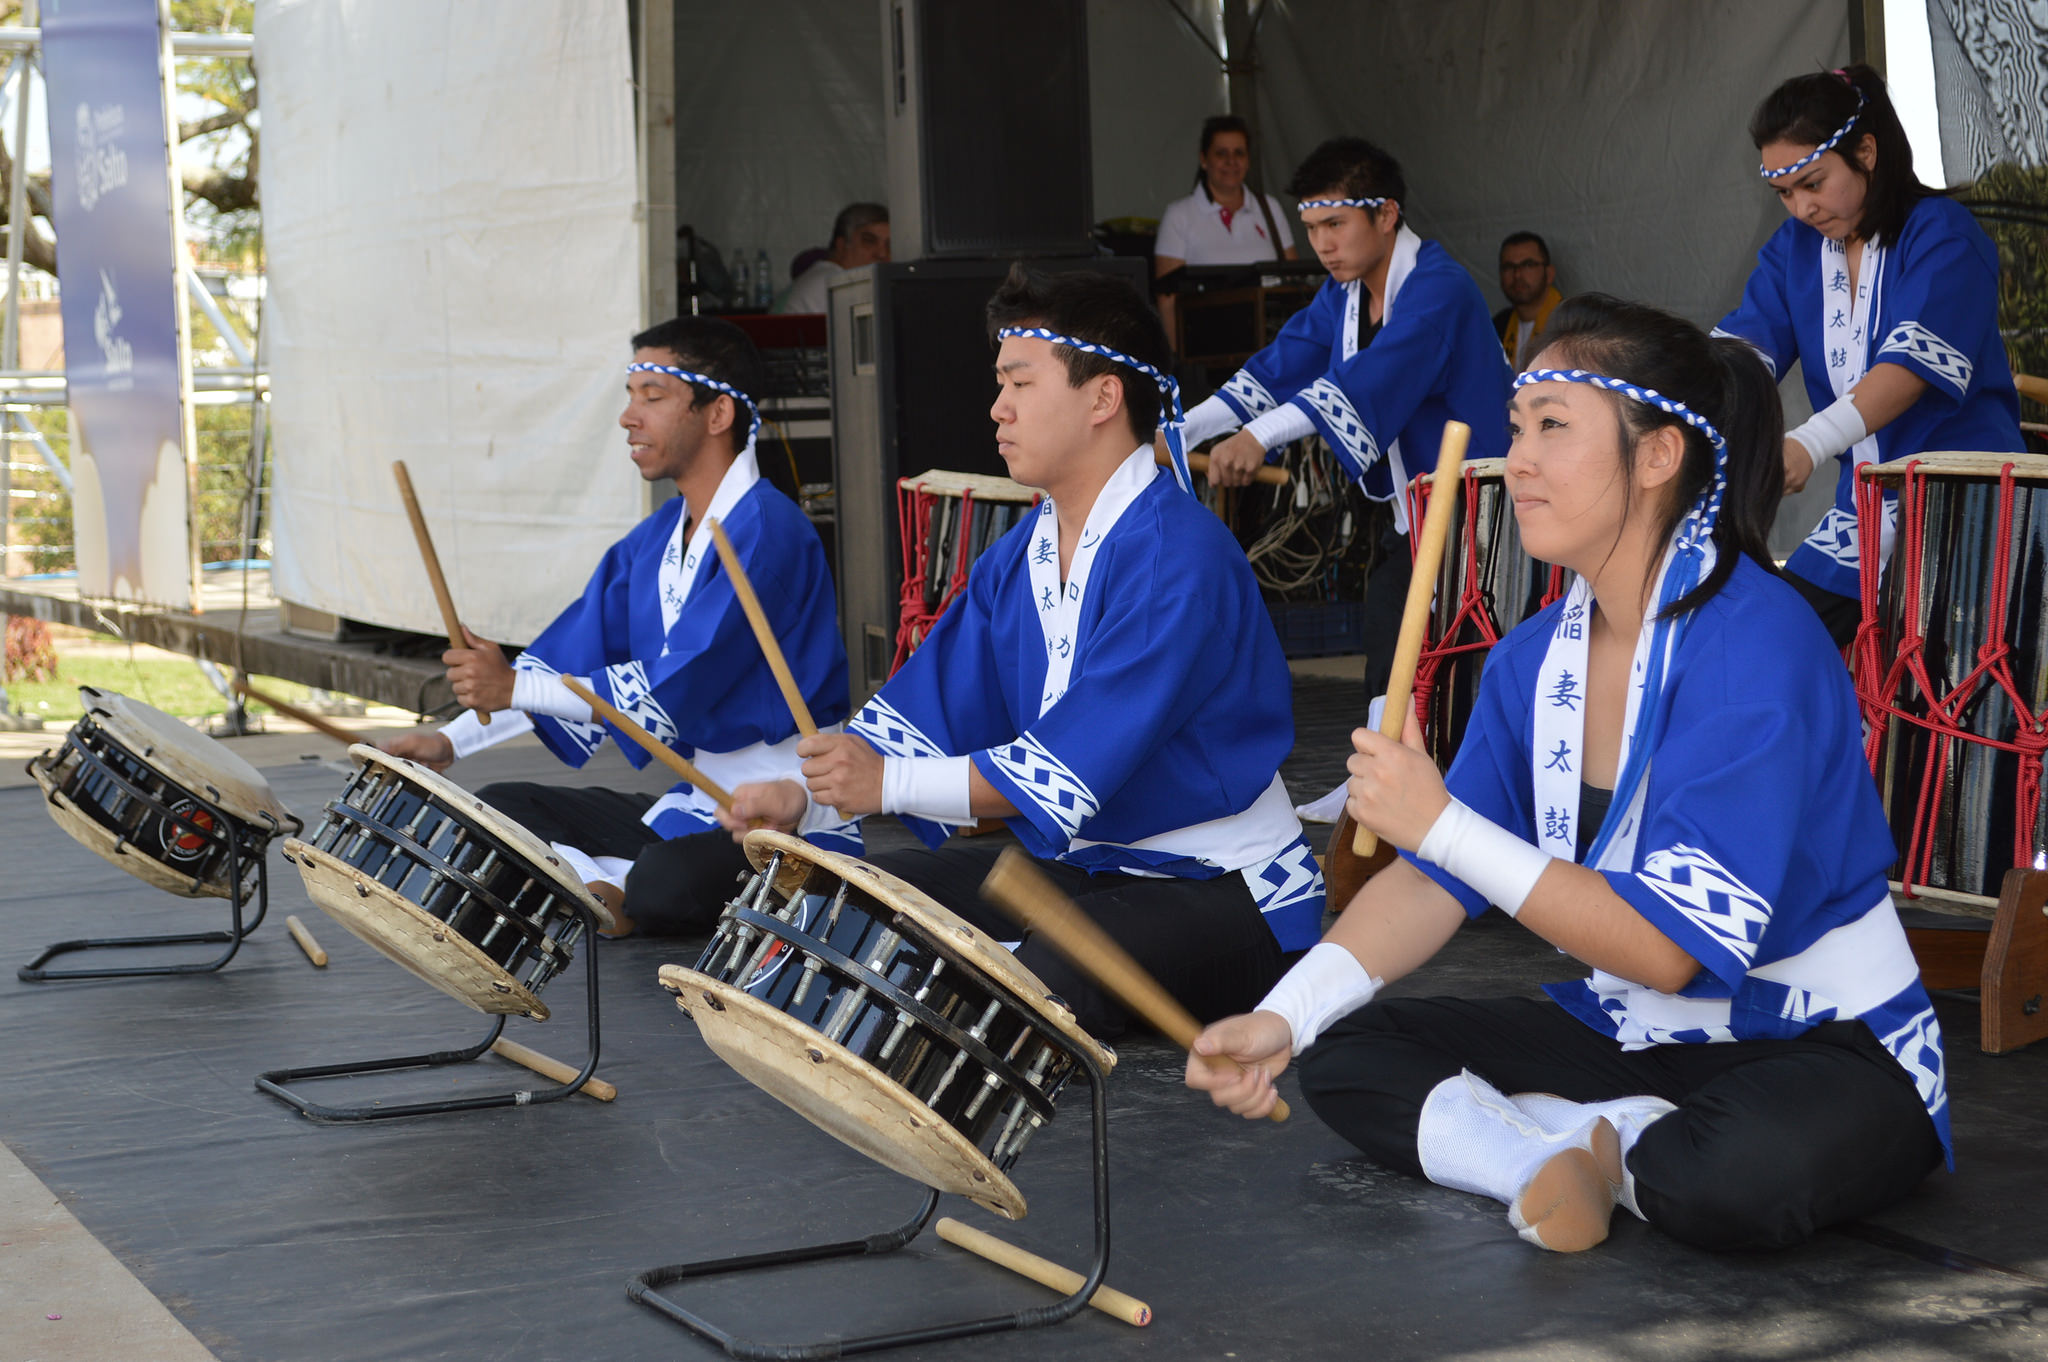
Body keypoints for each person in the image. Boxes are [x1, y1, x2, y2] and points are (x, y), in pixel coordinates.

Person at [1185, 294, 1949, 1256]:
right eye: (1515, 428)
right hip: (1635, 1028)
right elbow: (1431, 881)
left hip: (1823, 1042)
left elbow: (1670, 949)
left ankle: (1594, 1135)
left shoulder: (1761, 642)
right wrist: (1282, 1015)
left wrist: (1441, 825)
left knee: (1730, 1178)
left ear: (1660, 455)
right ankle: (1548, 1159)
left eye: (1554, 428)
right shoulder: (1533, 658)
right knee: (1348, 1051)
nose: (1522, 462)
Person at [722, 265, 1324, 1041]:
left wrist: (887, 784)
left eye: (1019, 383)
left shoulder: (1181, 556)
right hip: (1086, 870)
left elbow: (1066, 769)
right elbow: (925, 709)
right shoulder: (1020, 557)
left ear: (1103, 397)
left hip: (1224, 890)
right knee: (855, 906)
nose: (997, 408)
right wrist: (809, 795)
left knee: (1043, 976)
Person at [381, 316, 857, 936]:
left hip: (786, 812)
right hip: (693, 802)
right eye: (630, 397)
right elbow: (563, 664)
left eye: (653, 397)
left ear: (717, 414)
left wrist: (512, 689)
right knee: (502, 807)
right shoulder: (655, 540)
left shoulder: (768, 532)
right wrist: (451, 741)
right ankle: (605, 887)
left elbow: (677, 681)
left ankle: (606, 885)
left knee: (667, 880)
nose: (629, 417)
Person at [1174, 137, 1512, 700]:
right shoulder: (1346, 293)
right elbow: (1282, 365)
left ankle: (1430, 781)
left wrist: (1257, 436)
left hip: (1483, 518)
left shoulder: (1439, 287)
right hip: (1420, 516)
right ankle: (1375, 772)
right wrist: (1184, 429)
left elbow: (1367, 379)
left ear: (1386, 214)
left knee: (1458, 667)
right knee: (1389, 638)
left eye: (1335, 224)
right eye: (1311, 229)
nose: (1322, 245)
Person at [1714, 64, 2024, 646]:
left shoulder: (1943, 235)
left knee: (1944, 697)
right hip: (1862, 517)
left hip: (1971, 509)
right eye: (1784, 192)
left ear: (1867, 151)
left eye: (1813, 182)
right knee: (1779, 642)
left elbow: (1905, 373)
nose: (1801, 208)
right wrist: (1671, 395)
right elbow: (1744, 351)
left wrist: (1806, 443)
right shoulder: (1795, 250)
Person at [1153, 114, 1298, 346]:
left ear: (1248, 160)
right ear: (1203, 159)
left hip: (1269, 346)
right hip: (1206, 348)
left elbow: (1293, 282)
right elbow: (1168, 298)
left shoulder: (1269, 208)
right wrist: (1176, 362)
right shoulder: (1178, 215)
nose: (1231, 161)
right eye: (1221, 153)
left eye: (1239, 153)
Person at [781, 203, 891, 314]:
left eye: (889, 245)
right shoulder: (834, 283)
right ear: (842, 245)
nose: (882, 254)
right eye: (869, 241)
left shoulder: (827, 275)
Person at [1492, 231, 1562, 369]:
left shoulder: (1571, 323)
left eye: (1528, 265)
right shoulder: (1497, 326)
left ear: (1549, 273)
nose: (1517, 274)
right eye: (1509, 267)